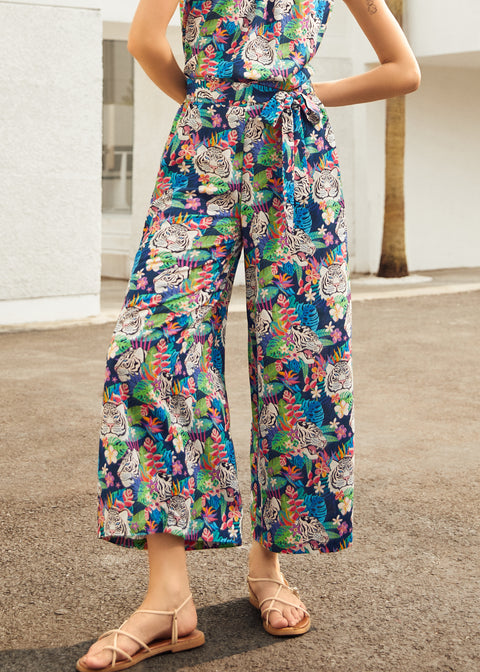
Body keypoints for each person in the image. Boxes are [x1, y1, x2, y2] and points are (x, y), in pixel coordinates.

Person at [76, 1, 420, 670]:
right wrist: (209, 102)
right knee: (150, 348)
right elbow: (145, 39)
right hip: (201, 149)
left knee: (298, 357)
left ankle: (269, 565)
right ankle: (169, 599)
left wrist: (303, 93)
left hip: (296, 153)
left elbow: (403, 69)